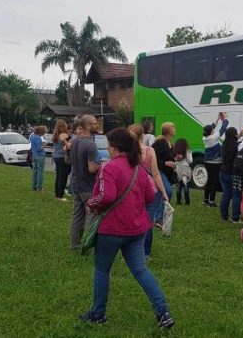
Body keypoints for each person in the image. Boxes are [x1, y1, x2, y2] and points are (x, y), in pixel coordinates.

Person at [80, 128, 174, 329]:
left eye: (108, 144)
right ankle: (163, 311)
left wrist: (91, 203)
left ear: (113, 147)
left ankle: (97, 314)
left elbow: (106, 197)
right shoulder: (139, 168)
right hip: (137, 229)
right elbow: (150, 196)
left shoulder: (109, 168)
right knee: (141, 270)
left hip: (111, 229)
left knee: (102, 270)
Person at [127, 124, 168, 262]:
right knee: (148, 222)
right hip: (150, 190)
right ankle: (145, 253)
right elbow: (156, 174)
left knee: (133, 220)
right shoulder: (150, 151)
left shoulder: (126, 153)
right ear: (143, 136)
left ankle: (132, 251)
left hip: (132, 190)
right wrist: (164, 192)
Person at [69, 115, 101, 250]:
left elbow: (68, 161)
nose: (97, 125)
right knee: (93, 215)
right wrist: (102, 164)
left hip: (75, 183)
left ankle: (75, 243)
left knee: (77, 214)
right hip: (88, 186)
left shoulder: (74, 141)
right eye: (94, 123)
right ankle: (89, 244)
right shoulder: (91, 144)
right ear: (88, 126)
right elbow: (92, 168)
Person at [152, 122, 176, 226]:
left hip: (165, 173)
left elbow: (167, 157)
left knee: (158, 195)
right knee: (168, 191)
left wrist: (175, 159)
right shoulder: (160, 143)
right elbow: (154, 160)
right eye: (173, 128)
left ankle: (156, 217)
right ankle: (159, 218)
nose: (175, 129)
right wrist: (166, 163)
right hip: (159, 172)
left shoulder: (169, 143)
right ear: (168, 131)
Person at [202, 113, 229, 207]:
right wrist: (225, 119)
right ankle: (212, 201)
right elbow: (223, 129)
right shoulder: (214, 137)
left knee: (209, 180)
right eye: (213, 130)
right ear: (211, 132)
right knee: (214, 181)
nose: (214, 130)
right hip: (215, 162)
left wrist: (217, 119)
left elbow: (211, 127)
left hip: (207, 161)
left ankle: (205, 200)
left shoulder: (205, 137)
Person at [219, 127, 240, 221]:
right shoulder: (237, 145)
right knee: (236, 195)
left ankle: (224, 216)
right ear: (235, 134)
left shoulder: (224, 144)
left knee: (226, 194)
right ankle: (235, 217)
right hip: (234, 173)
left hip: (223, 172)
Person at [52, 119, 71, 201]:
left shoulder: (55, 134)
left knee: (58, 176)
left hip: (56, 157)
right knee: (63, 177)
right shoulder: (64, 134)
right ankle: (61, 196)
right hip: (63, 157)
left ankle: (57, 194)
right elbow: (68, 146)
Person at [173, 138, 193, 205]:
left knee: (179, 184)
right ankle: (187, 201)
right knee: (186, 184)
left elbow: (174, 160)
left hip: (178, 168)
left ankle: (178, 201)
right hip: (185, 168)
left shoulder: (175, 151)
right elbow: (190, 161)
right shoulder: (187, 150)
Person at [29, 125, 47, 191]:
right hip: (40, 155)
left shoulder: (33, 137)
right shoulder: (38, 138)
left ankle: (34, 186)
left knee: (35, 171)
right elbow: (39, 148)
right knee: (40, 171)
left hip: (34, 155)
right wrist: (44, 145)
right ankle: (39, 187)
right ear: (41, 132)